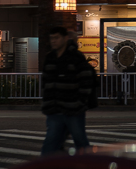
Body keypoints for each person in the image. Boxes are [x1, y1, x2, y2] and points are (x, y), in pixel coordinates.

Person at [41, 26, 95, 155]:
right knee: (51, 141)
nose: (53, 41)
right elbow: (45, 81)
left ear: (65, 38)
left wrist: (79, 102)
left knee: (80, 140)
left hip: (72, 108)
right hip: (55, 108)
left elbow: (86, 80)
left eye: (57, 38)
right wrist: (47, 101)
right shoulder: (50, 57)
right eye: (52, 38)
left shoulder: (75, 57)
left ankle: (89, 163)